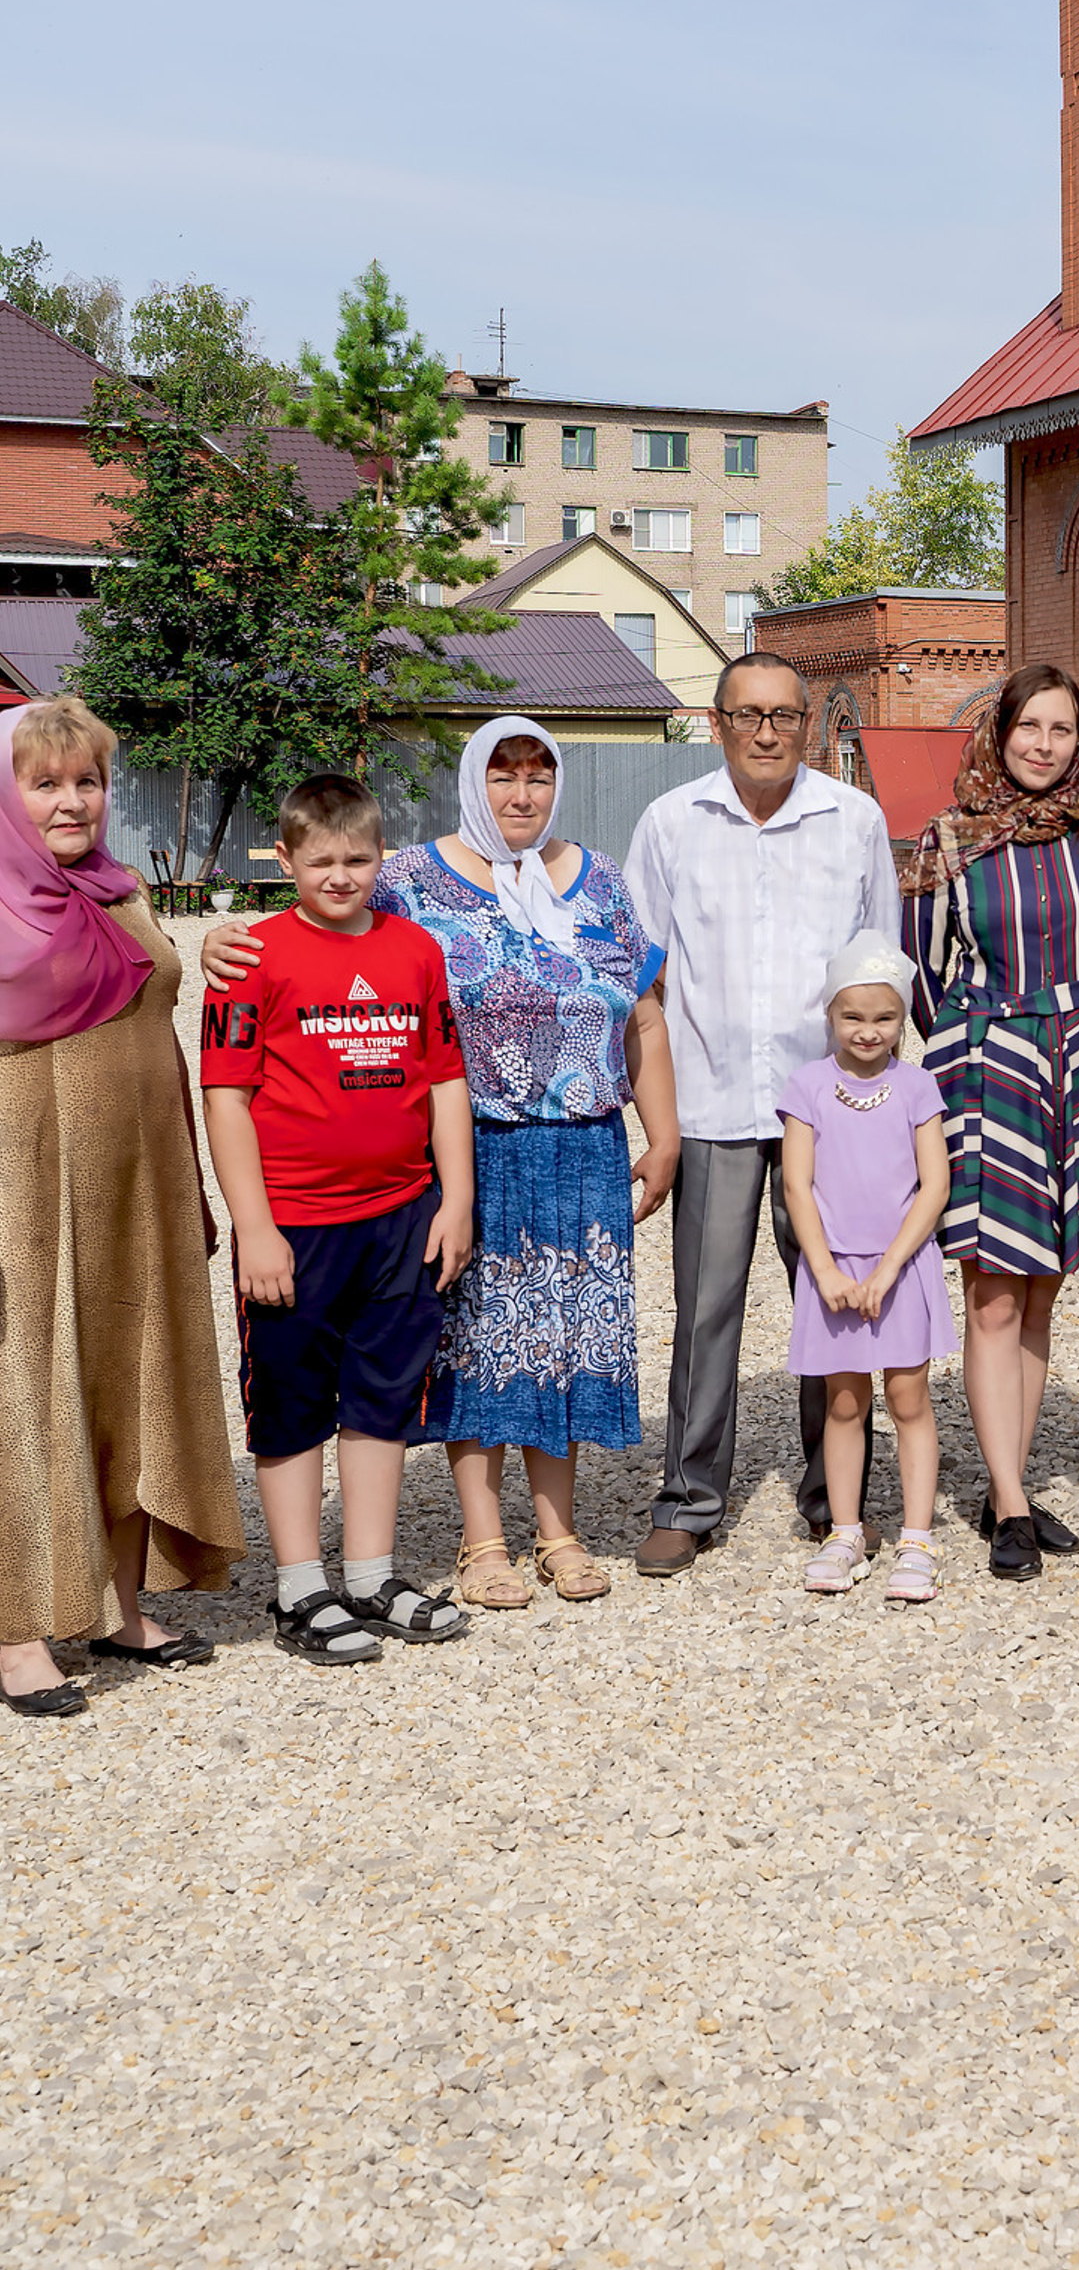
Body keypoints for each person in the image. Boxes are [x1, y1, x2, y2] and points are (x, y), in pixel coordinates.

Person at [204, 714, 684, 1606]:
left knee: (562, 1337)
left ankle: (559, 1530)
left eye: (538, 775)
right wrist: (222, 940)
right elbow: (328, 931)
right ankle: (481, 1540)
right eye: (503, 774)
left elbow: (643, 1014)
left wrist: (665, 1135)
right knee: (473, 1341)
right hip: (471, 1151)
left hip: (584, 1150)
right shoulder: (409, 881)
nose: (521, 793)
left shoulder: (602, 880)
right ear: (473, 781)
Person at [624, 653, 900, 1577]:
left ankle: (837, 1500)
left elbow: (881, 969)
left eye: (784, 715)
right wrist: (657, 1118)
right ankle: (689, 1498)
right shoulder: (671, 823)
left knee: (833, 1303)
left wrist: (876, 1109)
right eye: (749, 715)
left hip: (828, 1110)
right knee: (705, 1311)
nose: (768, 732)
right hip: (712, 1103)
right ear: (717, 724)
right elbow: (642, 975)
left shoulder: (854, 821)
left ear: (808, 724)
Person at [0, 698, 244, 1719]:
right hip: (26, 1194)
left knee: (131, 1377)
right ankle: (18, 1629)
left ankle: (121, 1605)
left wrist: (219, 946)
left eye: (88, 781)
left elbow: (160, 1020)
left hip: (143, 1184)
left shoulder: (122, 887)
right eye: (44, 784)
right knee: (29, 1386)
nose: (72, 801)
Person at [200, 772, 475, 1663]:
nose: (341, 876)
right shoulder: (252, 958)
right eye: (320, 861)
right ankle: (299, 1585)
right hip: (296, 1225)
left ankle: (369, 1573)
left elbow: (445, 1079)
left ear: (381, 855)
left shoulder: (415, 950)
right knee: (289, 1400)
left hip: (400, 1215)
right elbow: (228, 1098)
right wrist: (255, 1226)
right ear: (285, 860)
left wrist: (456, 1199)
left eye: (357, 859)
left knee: (382, 1393)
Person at [906, 665, 1079, 1581]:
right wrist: (976, 1046)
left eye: (1062, 729)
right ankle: (1011, 1501)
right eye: (1029, 727)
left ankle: (1005, 1481)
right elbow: (921, 970)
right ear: (998, 732)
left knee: (1045, 1284)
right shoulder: (949, 837)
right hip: (989, 1068)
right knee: (994, 1291)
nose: (1045, 746)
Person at [779, 932, 955, 1604]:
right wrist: (824, 1270)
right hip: (835, 1271)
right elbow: (797, 1186)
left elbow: (934, 1186)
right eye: (851, 1016)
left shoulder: (917, 1086)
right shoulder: (808, 1087)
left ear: (902, 1018)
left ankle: (917, 1537)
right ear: (829, 1014)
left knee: (909, 1399)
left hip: (900, 1269)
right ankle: (846, 1530)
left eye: (884, 1017)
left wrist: (888, 1269)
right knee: (845, 1401)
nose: (867, 1030)